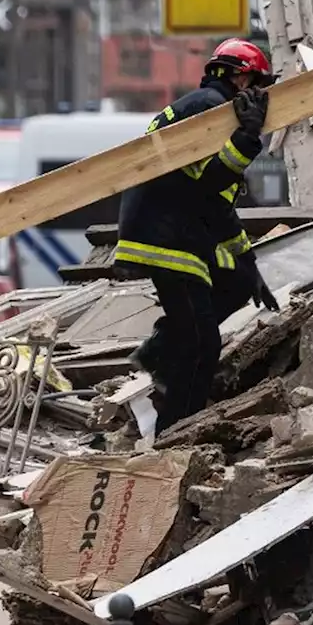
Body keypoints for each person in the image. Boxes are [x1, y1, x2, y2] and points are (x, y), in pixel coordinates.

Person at [113, 38, 280, 434]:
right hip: (167, 237)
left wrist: (248, 263)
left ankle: (159, 350)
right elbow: (209, 184)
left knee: (235, 284)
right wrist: (247, 139)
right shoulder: (211, 110)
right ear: (240, 77)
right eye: (257, 84)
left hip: (173, 228)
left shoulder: (202, 105)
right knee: (201, 347)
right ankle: (178, 433)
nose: (260, 96)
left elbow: (216, 203)